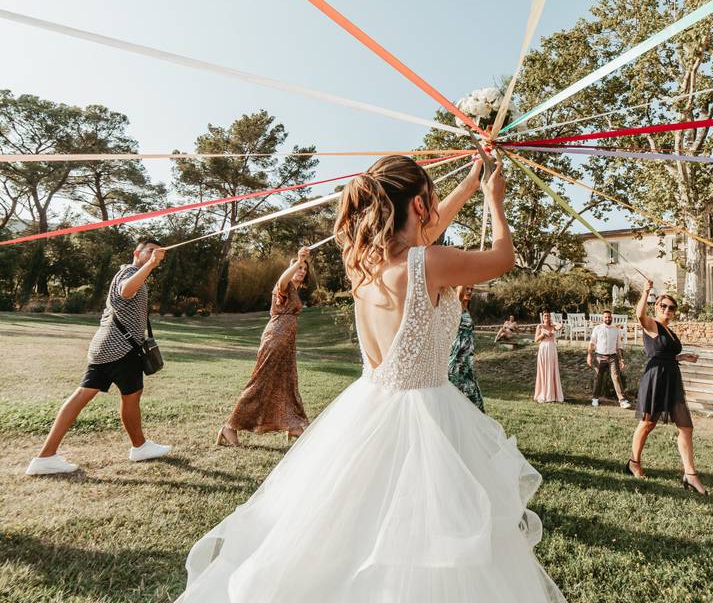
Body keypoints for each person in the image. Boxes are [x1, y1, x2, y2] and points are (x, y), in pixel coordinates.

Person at [176, 155, 567, 601]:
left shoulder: (362, 264)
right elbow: (502, 257)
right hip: (428, 413)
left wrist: (468, 183)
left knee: (353, 525)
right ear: (419, 205)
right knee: (426, 534)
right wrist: (494, 201)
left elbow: (424, 241)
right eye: (432, 200)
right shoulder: (429, 262)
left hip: (369, 406)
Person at [26, 238, 172, 475]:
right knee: (131, 396)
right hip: (121, 349)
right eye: (150, 251)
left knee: (87, 395)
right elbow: (126, 291)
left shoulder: (136, 273)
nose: (155, 255)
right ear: (137, 253)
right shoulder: (128, 272)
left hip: (105, 346)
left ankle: (46, 456)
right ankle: (139, 446)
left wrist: (149, 266)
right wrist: (151, 265)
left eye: (158, 252)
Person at [216, 248, 312, 447]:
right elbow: (281, 281)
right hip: (275, 339)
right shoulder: (284, 288)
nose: (302, 270)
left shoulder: (295, 290)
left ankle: (292, 425)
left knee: (286, 382)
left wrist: (299, 263)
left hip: (286, 344)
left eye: (304, 268)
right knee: (260, 383)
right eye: (299, 267)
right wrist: (298, 260)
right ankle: (229, 427)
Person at [627, 280, 706, 495]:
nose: (667, 310)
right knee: (647, 424)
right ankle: (634, 462)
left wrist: (683, 357)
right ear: (656, 307)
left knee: (686, 426)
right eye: (663, 306)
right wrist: (645, 291)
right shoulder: (652, 324)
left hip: (672, 376)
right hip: (655, 377)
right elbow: (639, 315)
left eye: (671, 307)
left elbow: (665, 353)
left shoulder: (670, 331)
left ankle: (690, 474)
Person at [449, 285, 485, 411]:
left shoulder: (465, 308)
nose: (469, 292)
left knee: (473, 396)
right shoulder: (455, 305)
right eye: (467, 288)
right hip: (457, 358)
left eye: (472, 289)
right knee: (459, 392)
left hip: (467, 359)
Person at [588, 310, 630, 409]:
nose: (608, 319)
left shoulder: (616, 330)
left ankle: (622, 400)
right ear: (603, 318)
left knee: (616, 377)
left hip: (612, 357)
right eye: (606, 317)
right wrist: (589, 355)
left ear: (612, 318)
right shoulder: (597, 329)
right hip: (599, 356)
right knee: (598, 378)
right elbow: (592, 343)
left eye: (609, 317)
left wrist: (622, 360)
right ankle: (595, 398)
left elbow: (619, 346)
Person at [534, 311, 564, 403]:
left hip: (552, 348)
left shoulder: (552, 326)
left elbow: (561, 326)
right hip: (543, 348)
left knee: (552, 369)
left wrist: (553, 322)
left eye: (548, 315)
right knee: (543, 370)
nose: (546, 317)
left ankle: (553, 394)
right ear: (543, 317)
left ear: (550, 317)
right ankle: (543, 393)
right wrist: (543, 334)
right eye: (545, 316)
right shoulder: (540, 326)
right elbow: (536, 340)